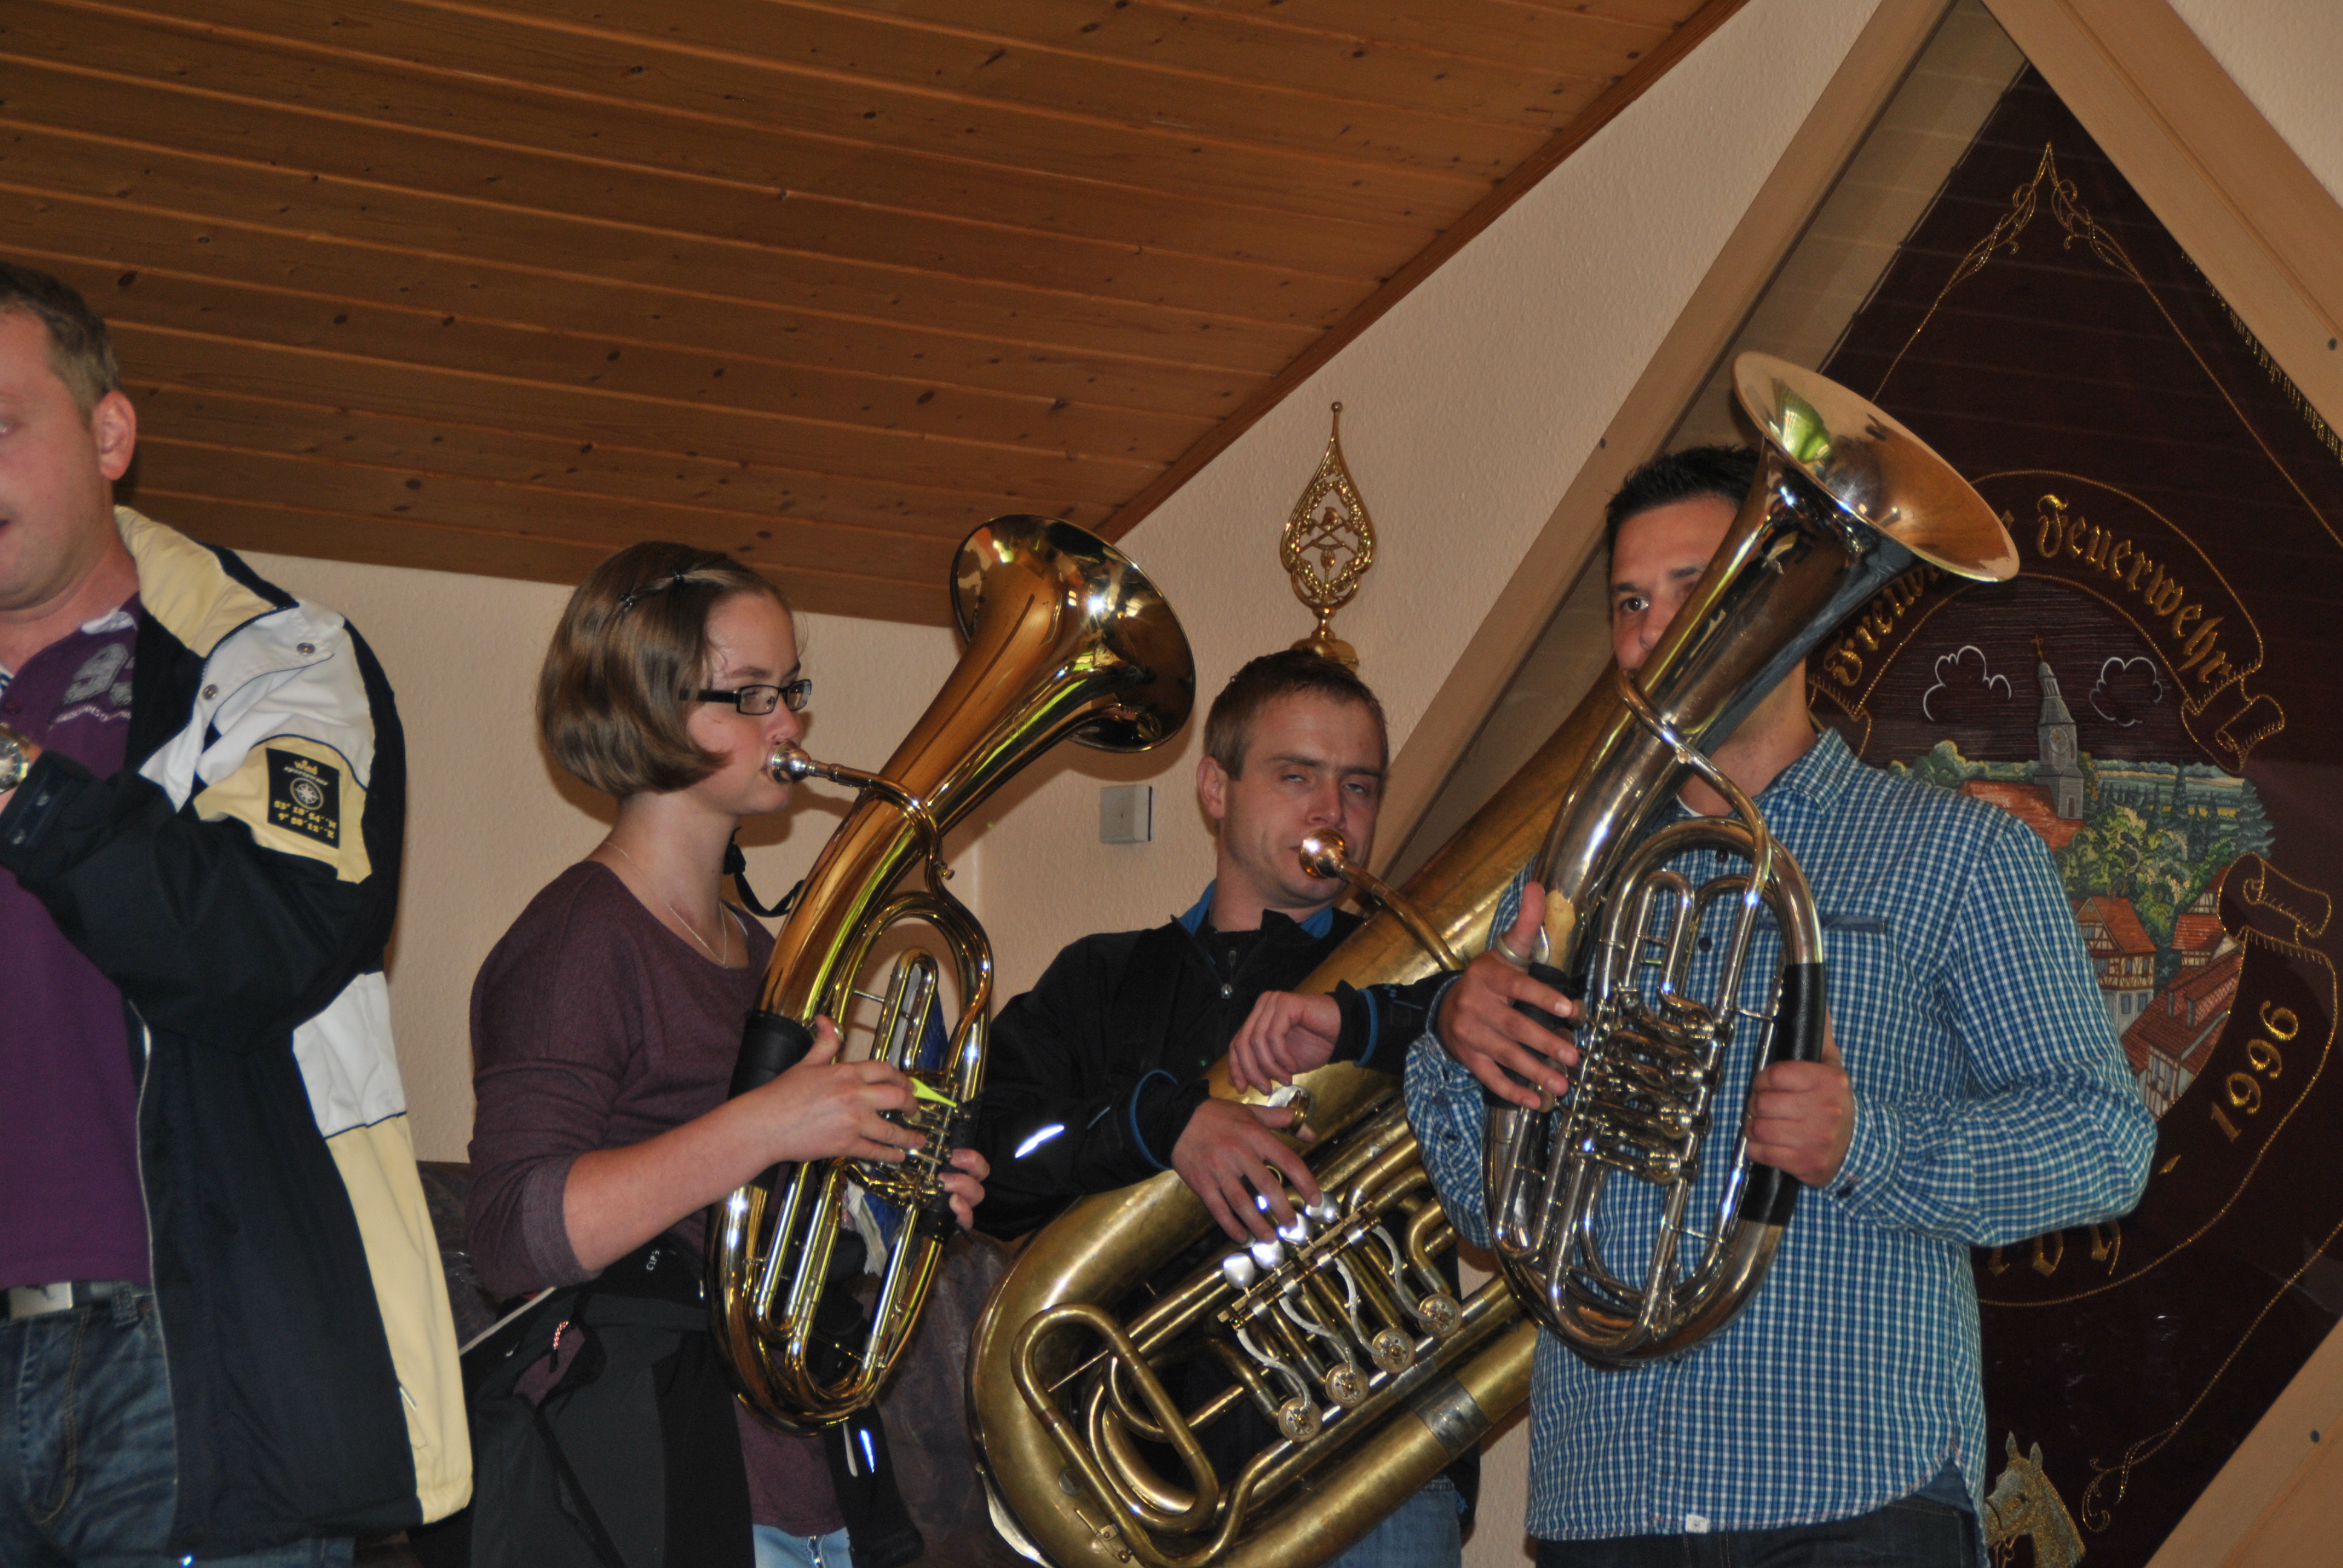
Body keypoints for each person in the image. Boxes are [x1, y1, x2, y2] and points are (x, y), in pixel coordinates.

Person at [1230, 445, 2157, 1566]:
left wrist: (1868, 1145)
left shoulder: (1960, 857)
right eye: (1631, 603)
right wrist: (1457, 1048)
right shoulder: (1562, 881)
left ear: (1797, 608)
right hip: (1607, 1502)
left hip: (1853, 1495)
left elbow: (2105, 1144)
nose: (1657, 629)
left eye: (1695, 585)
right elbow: (1487, 1219)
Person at [0, 260, 467, 1564]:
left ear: (110, 434)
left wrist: (18, 784)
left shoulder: (274, 665)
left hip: (187, 1361)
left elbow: (261, 938)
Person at [465, 541, 988, 1568]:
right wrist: (768, 1125)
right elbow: (511, 1236)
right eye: (748, 695)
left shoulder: (759, 949)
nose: (787, 724)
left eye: (790, 690)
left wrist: (890, 1180)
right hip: (661, 1483)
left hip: (806, 1473)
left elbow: (759, 1213)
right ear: (648, 707)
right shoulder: (578, 940)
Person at [969, 648, 1470, 1567]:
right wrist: (1162, 1125)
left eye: (1360, 786)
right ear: (1214, 789)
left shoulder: (1407, 986)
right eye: (1296, 777)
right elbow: (992, 1161)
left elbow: (1523, 1064)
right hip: (1146, 1482)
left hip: (1377, 1481)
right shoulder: (1099, 981)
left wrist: (1376, 1021)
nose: (1333, 812)